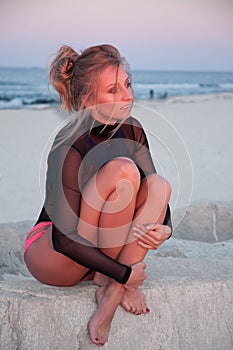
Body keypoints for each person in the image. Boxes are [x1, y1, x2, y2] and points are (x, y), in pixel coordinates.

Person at [24, 44, 172, 347]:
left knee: (159, 185)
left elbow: (154, 198)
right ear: (88, 100)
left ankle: (110, 289)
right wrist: (126, 272)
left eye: (127, 84)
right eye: (113, 90)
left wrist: (166, 229)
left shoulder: (132, 129)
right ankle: (115, 282)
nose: (128, 96)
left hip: (100, 254)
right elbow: (64, 240)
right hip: (54, 253)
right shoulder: (68, 142)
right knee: (123, 171)